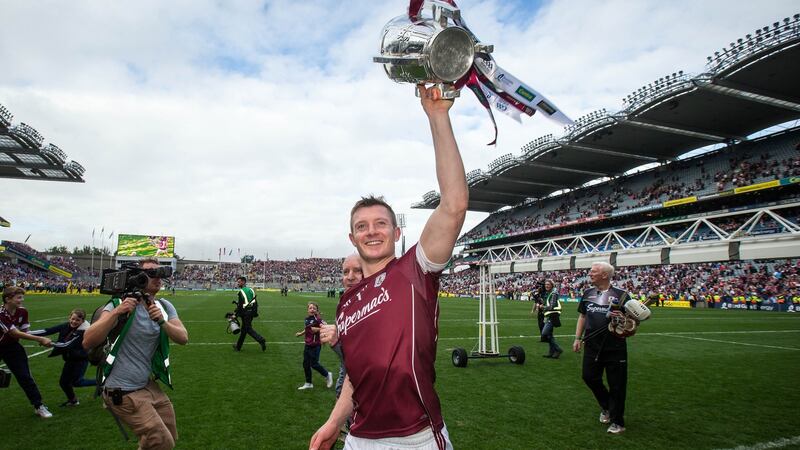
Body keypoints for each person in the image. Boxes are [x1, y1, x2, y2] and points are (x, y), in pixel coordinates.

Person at [310, 83, 467, 450]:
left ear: (397, 232)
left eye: (380, 223)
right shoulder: (346, 304)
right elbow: (357, 375)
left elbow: (454, 204)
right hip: (360, 438)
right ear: (352, 238)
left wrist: (438, 116)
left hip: (417, 437)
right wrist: (335, 421)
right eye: (361, 226)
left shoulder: (415, 270)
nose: (371, 231)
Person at [83, 258, 189, 450]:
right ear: (137, 277)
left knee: (169, 434)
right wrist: (117, 311)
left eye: (159, 273)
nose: (157, 277)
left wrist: (163, 322)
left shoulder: (164, 306)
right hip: (122, 389)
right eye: (150, 273)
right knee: (162, 442)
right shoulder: (118, 303)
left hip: (146, 384)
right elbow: (88, 340)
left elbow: (183, 338)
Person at [572, 262, 632, 435]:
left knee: (617, 386)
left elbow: (633, 323)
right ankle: (607, 406)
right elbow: (582, 316)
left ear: (605, 275)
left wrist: (621, 319)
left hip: (615, 347)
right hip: (591, 344)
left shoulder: (622, 296)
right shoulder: (588, 293)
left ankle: (617, 422)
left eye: (593, 271)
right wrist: (577, 338)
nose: (589, 274)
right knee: (589, 377)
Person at [0, 286, 54, 418]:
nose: (22, 300)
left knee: (25, 376)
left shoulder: (23, 312)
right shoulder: (1, 313)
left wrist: (46, 335)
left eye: (22, 297)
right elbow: (14, 333)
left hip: (12, 347)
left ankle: (38, 405)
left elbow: (25, 333)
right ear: (8, 299)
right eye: (18, 297)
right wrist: (40, 339)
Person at [37, 308, 96, 406]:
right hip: (70, 359)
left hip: (81, 360)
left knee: (77, 382)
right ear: (69, 317)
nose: (74, 321)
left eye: (78, 320)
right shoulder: (66, 325)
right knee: (63, 382)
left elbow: (66, 345)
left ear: (82, 321)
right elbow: (48, 330)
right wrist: (25, 333)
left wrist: (50, 343)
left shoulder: (83, 331)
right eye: (72, 319)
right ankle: (73, 400)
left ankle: (101, 382)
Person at [331, 254, 364, 397]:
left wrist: (335, 343)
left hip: (364, 390)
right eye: (345, 272)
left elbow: (361, 358)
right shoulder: (343, 304)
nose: (350, 277)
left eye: (357, 270)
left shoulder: (376, 307)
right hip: (346, 383)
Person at [295, 302, 333, 390]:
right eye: (310, 308)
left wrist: (318, 329)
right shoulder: (307, 319)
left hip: (315, 345)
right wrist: (300, 333)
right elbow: (308, 328)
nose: (312, 309)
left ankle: (327, 374)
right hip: (307, 344)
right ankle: (308, 383)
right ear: (307, 310)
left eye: (314, 308)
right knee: (306, 364)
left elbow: (326, 327)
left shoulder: (318, 319)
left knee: (314, 364)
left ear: (317, 311)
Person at [232, 276, 266, 352]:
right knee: (244, 330)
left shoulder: (241, 292)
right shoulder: (251, 290)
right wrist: (255, 312)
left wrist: (236, 314)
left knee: (248, 329)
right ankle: (238, 346)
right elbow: (255, 302)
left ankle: (261, 340)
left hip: (246, 313)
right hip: (251, 311)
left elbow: (241, 305)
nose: (238, 283)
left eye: (239, 282)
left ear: (243, 282)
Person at [540, 279, 563, 359]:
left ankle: (558, 349)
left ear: (552, 285)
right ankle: (552, 352)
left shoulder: (553, 294)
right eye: (546, 284)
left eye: (548, 284)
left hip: (552, 316)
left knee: (544, 333)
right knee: (549, 335)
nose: (546, 286)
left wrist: (543, 307)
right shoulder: (548, 293)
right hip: (548, 316)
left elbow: (552, 306)